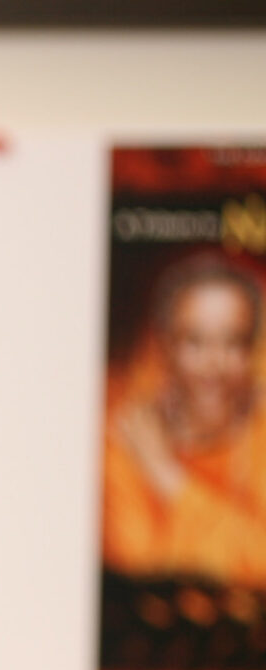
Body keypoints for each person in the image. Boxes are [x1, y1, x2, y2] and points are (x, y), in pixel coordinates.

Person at [103, 251, 266, 590]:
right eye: (195, 342)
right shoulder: (126, 437)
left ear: (252, 352)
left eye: (233, 342)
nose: (214, 365)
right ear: (165, 349)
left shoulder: (259, 438)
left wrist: (170, 479)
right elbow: (141, 566)